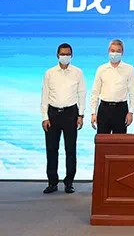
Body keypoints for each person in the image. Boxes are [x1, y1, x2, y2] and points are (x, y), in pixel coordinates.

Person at [40, 43, 85, 194]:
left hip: (71, 113)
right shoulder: (50, 73)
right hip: (53, 113)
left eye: (67, 54)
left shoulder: (77, 72)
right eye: (62, 54)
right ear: (57, 55)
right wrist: (45, 117)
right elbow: (44, 96)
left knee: (70, 149)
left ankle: (69, 182)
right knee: (52, 149)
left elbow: (82, 93)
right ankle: (52, 182)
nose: (65, 56)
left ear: (72, 55)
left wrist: (81, 115)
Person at [90, 39, 134, 134]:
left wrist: (131, 112)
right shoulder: (101, 69)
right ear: (108, 51)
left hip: (121, 110)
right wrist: (93, 113)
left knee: (120, 141)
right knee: (103, 140)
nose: (115, 53)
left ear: (122, 52)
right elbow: (95, 92)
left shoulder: (129, 69)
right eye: (113, 50)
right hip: (104, 109)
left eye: (118, 51)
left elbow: (133, 92)